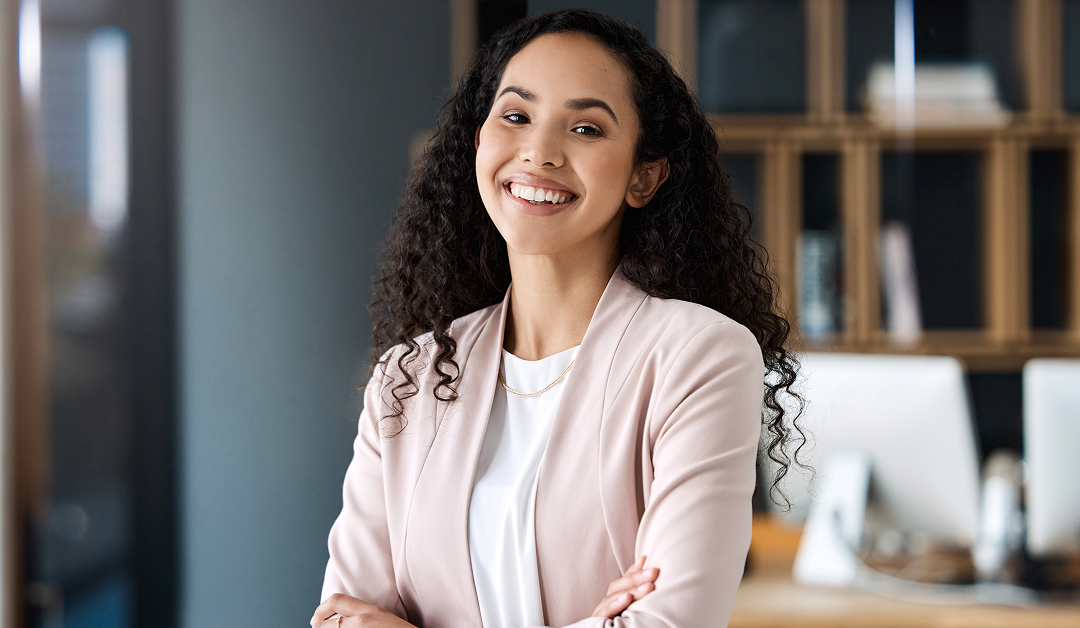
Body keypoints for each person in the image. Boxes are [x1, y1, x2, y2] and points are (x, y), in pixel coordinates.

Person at [310, 9, 802, 628]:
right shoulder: (407, 377)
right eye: (516, 116)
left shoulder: (699, 356)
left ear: (643, 177)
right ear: (480, 142)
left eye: (587, 128)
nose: (539, 152)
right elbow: (341, 619)